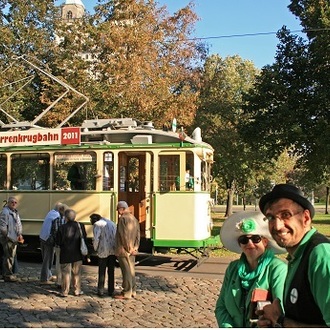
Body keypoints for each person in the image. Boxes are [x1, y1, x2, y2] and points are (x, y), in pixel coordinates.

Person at [257, 184, 330, 327]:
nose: (277, 226)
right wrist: (275, 323)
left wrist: (280, 320)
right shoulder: (296, 256)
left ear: (306, 218)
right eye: (271, 217)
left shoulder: (321, 255)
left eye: (285, 215)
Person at [214, 211, 287, 328]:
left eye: (255, 238)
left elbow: (280, 311)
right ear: (239, 244)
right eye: (244, 240)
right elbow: (221, 307)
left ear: (265, 241)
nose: (250, 243)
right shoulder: (233, 268)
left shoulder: (277, 269)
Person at [55, 208, 87, 297]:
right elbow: (84, 237)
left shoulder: (62, 228)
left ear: (66, 218)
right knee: (77, 273)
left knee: (65, 273)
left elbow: (58, 241)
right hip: (77, 253)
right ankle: (77, 290)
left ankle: (65, 291)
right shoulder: (80, 226)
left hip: (65, 252)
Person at [114, 201, 140, 300]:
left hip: (124, 250)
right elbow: (137, 234)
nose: (117, 211)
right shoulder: (134, 218)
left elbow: (124, 235)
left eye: (118, 209)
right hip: (133, 249)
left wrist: (128, 248)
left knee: (126, 271)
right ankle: (133, 290)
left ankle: (126, 292)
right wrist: (135, 247)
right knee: (132, 270)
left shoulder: (123, 219)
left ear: (122, 208)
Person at [39, 202, 68, 285]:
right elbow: (56, 230)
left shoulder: (51, 212)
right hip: (48, 239)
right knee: (47, 259)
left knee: (48, 258)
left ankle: (48, 275)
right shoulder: (57, 216)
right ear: (61, 210)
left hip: (43, 237)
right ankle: (44, 278)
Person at [90, 213, 117, 297]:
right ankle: (111, 290)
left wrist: (95, 248)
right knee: (111, 270)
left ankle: (100, 289)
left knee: (102, 270)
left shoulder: (97, 224)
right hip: (112, 249)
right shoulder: (112, 223)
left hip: (103, 249)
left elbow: (96, 238)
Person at [0, 196, 24, 282]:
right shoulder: (5, 212)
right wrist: (7, 236)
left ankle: (8, 273)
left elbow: (18, 224)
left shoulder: (15, 212)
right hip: (8, 238)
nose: (14, 204)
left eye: (15, 202)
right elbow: (3, 227)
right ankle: (7, 275)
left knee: (11, 256)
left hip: (14, 238)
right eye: (12, 202)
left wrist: (19, 234)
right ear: (8, 203)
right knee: (8, 256)